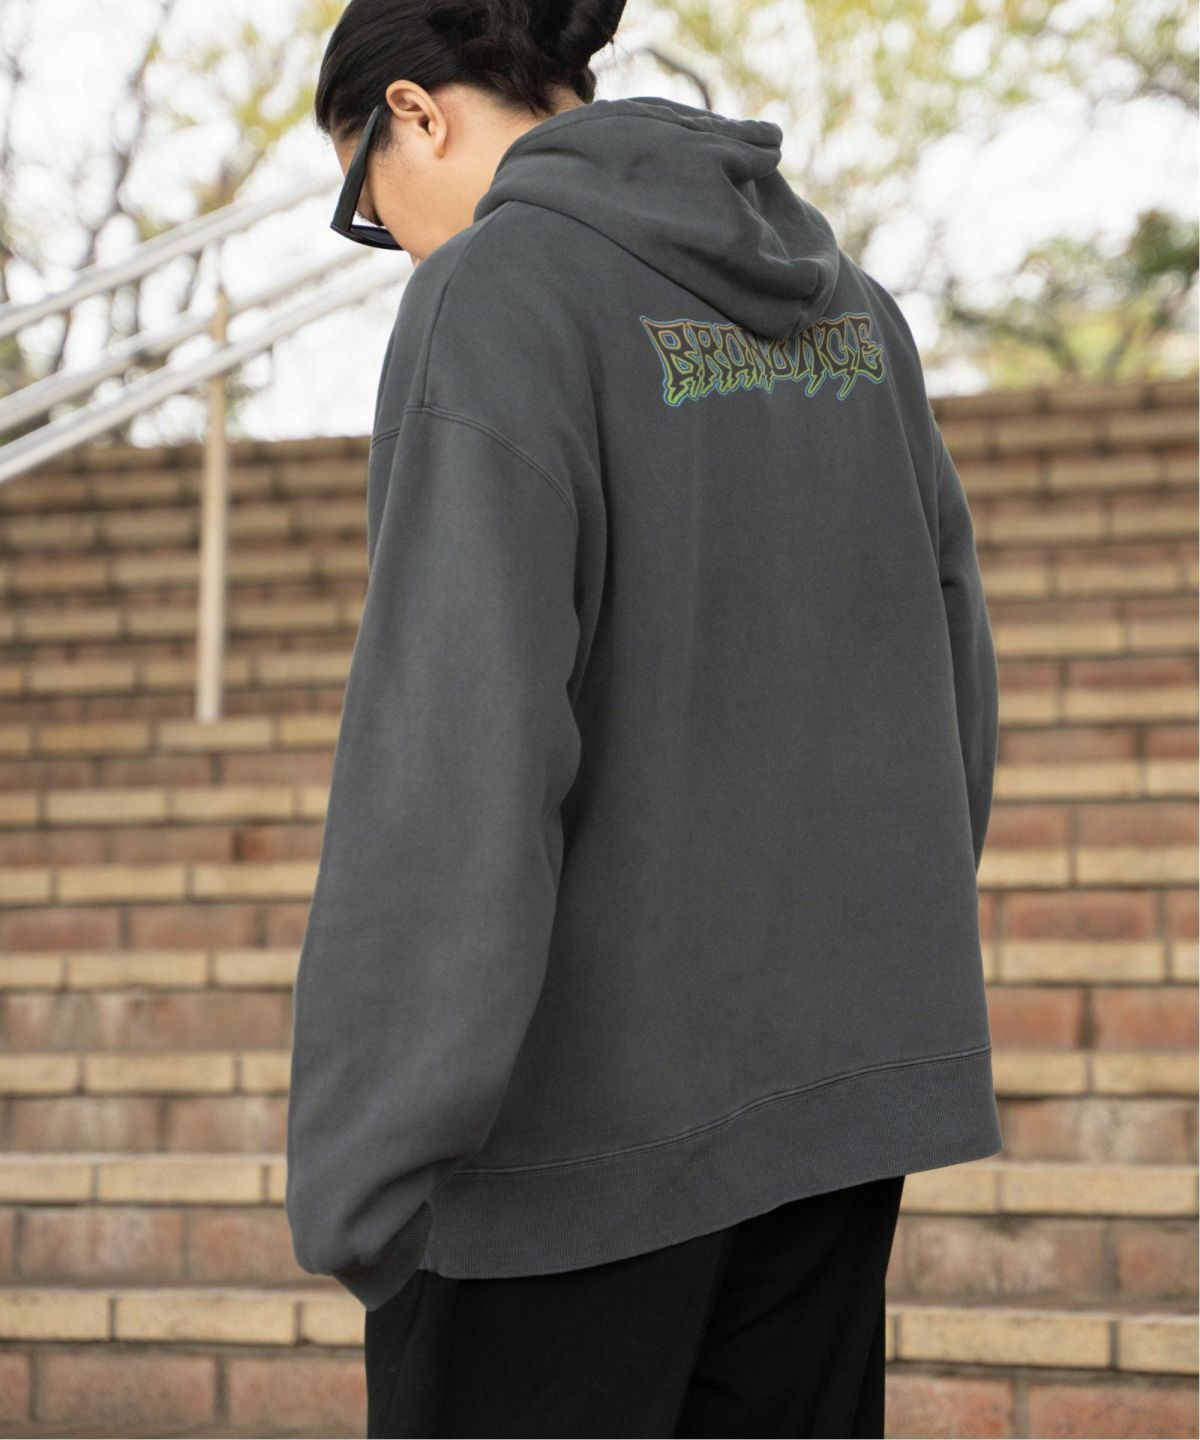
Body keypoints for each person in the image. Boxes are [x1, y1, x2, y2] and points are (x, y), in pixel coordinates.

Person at [285, 0, 1004, 1434]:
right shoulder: (854, 308)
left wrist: (368, 1166)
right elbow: (950, 679)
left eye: (365, 195)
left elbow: (457, 756)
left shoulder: (495, 296)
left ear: (417, 112)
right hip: (830, 1115)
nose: (392, 234)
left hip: (565, 1159)